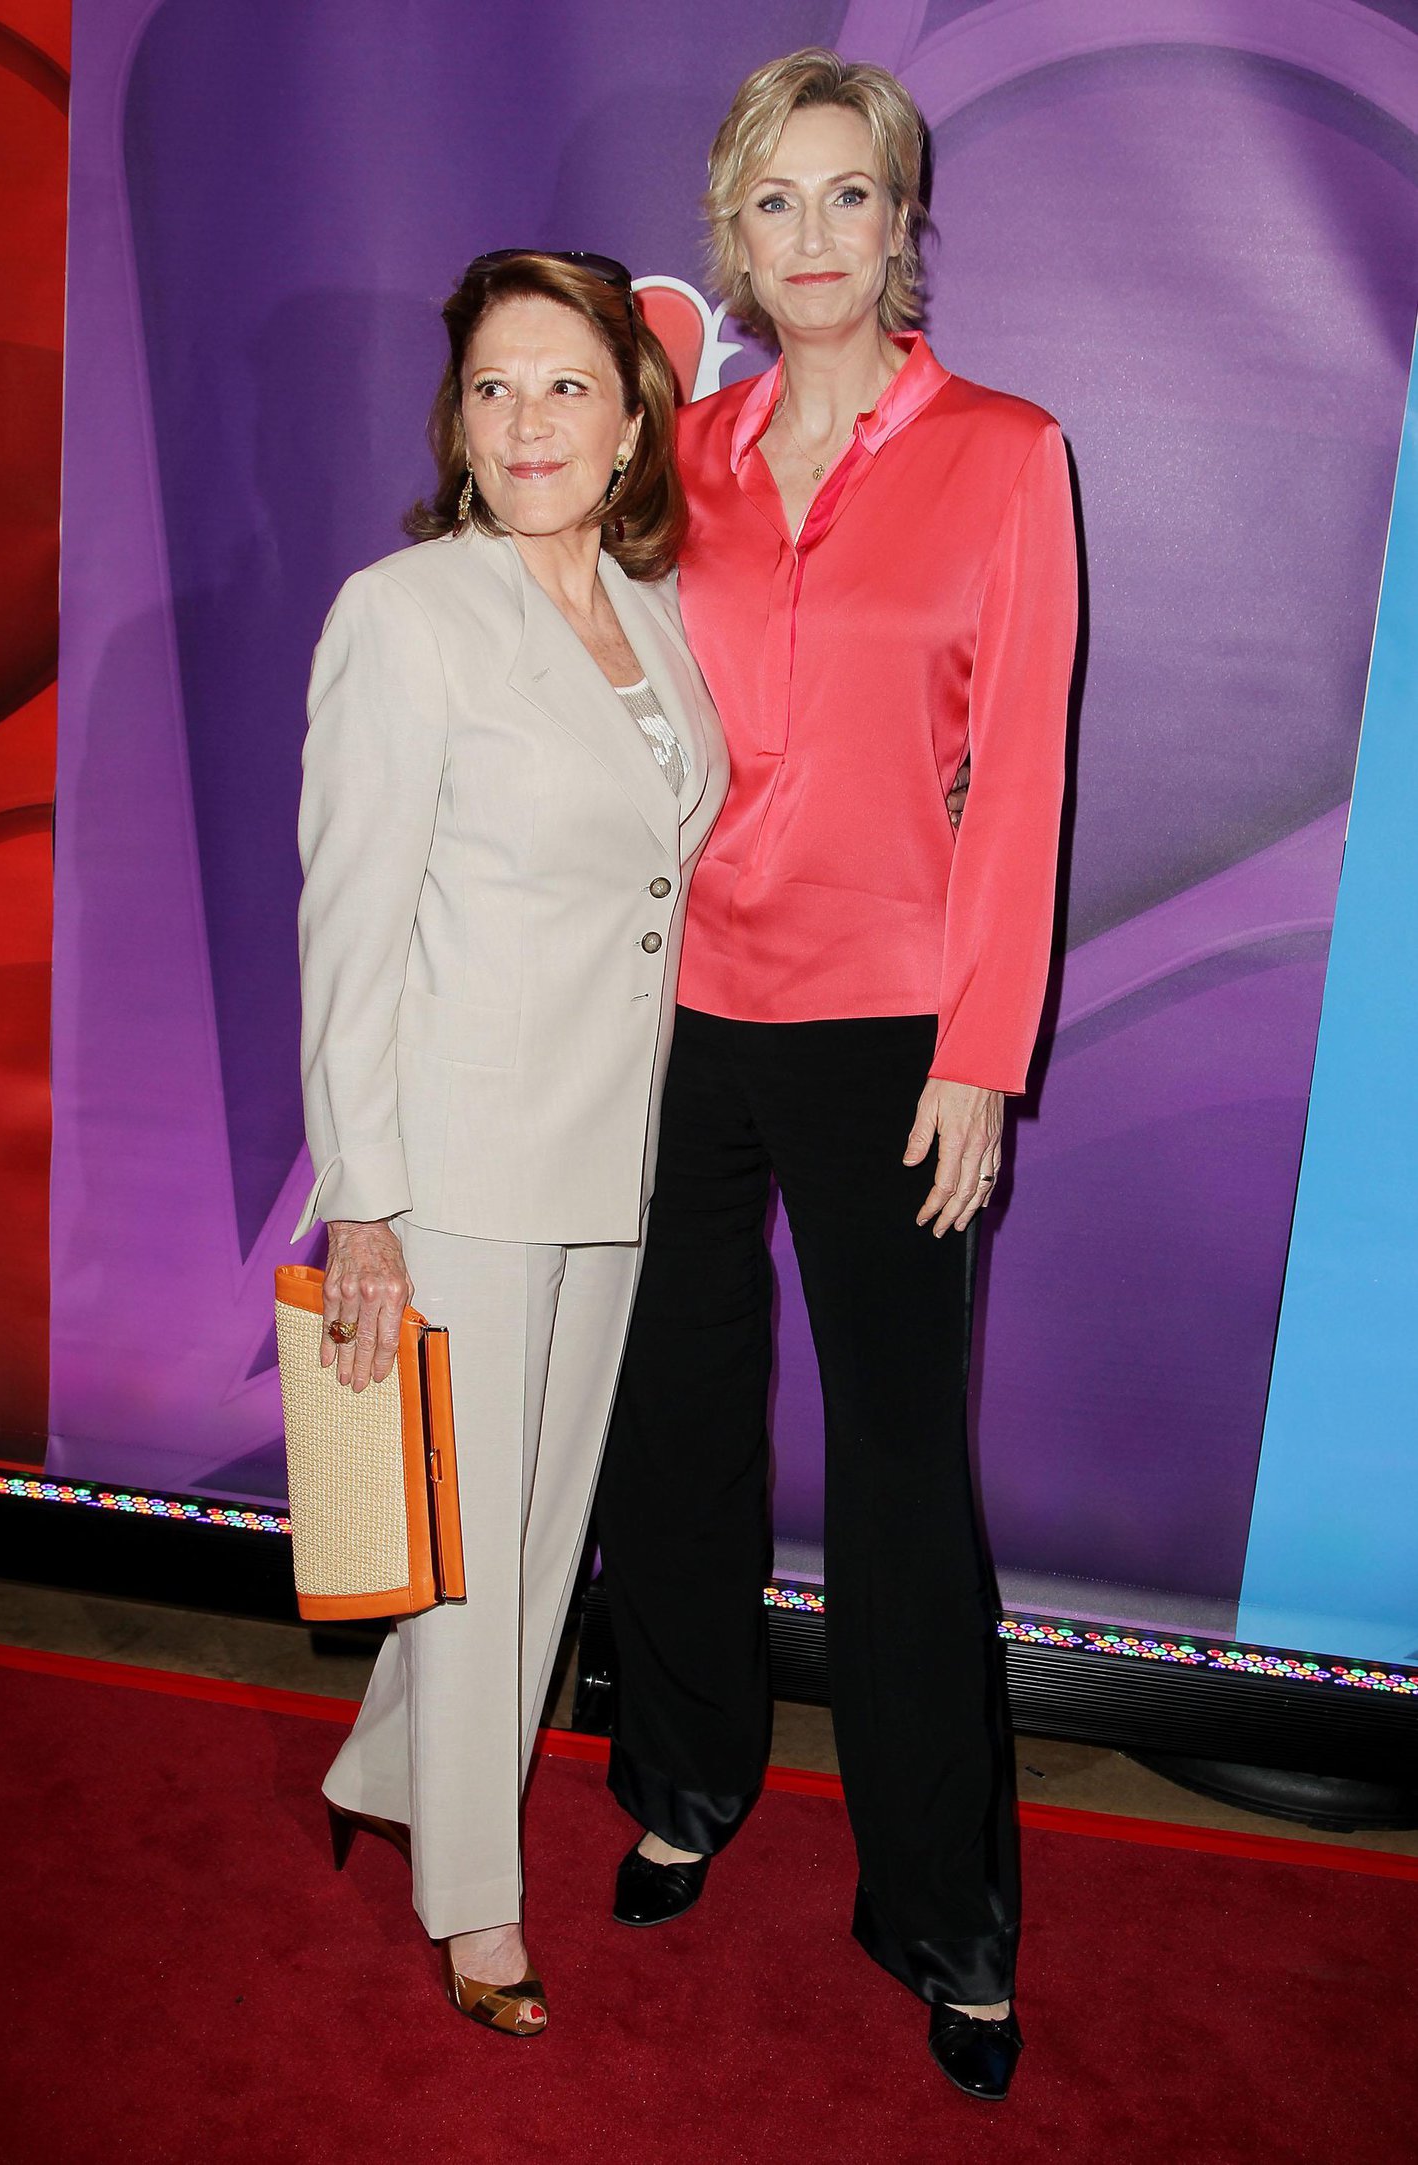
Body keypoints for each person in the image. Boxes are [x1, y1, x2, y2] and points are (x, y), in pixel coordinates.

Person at [594, 50, 1077, 2102]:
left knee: (896, 1479)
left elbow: (1020, 776)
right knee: (677, 1425)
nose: (810, 237)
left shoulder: (1004, 451)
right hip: (665, 1014)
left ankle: (939, 1909)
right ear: (732, 229)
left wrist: (979, 1054)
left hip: (890, 1030)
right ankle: (686, 1782)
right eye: (771, 203)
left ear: (903, 221)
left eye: (847, 198)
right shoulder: (665, 453)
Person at [293, 249, 727, 2036]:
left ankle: (387, 1768)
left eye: (567, 385)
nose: (530, 418)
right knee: (469, 1550)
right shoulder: (402, 616)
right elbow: (350, 928)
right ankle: (472, 1893)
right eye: (495, 388)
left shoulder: (656, 613)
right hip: (460, 1161)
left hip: (608, 1152)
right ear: (456, 429)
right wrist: (367, 1203)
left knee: (537, 1531)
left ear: (631, 420)